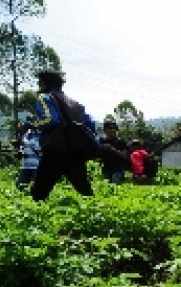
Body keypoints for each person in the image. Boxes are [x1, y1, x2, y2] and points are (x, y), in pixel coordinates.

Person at [29, 68, 97, 201]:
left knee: (38, 194)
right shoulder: (75, 103)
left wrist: (32, 125)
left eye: (40, 83)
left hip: (55, 152)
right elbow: (91, 125)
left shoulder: (45, 98)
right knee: (85, 192)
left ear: (45, 83)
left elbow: (50, 119)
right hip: (75, 154)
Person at [99, 118, 130, 183]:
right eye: (110, 128)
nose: (112, 130)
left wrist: (112, 149)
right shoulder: (101, 141)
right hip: (105, 169)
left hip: (117, 170)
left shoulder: (121, 142)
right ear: (105, 130)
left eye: (114, 128)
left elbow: (124, 156)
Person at [15, 121, 41, 190]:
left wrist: (34, 148)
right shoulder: (24, 136)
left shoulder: (40, 136)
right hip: (26, 165)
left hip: (37, 166)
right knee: (19, 185)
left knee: (35, 188)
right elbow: (22, 148)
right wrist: (20, 152)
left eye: (24, 128)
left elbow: (41, 149)